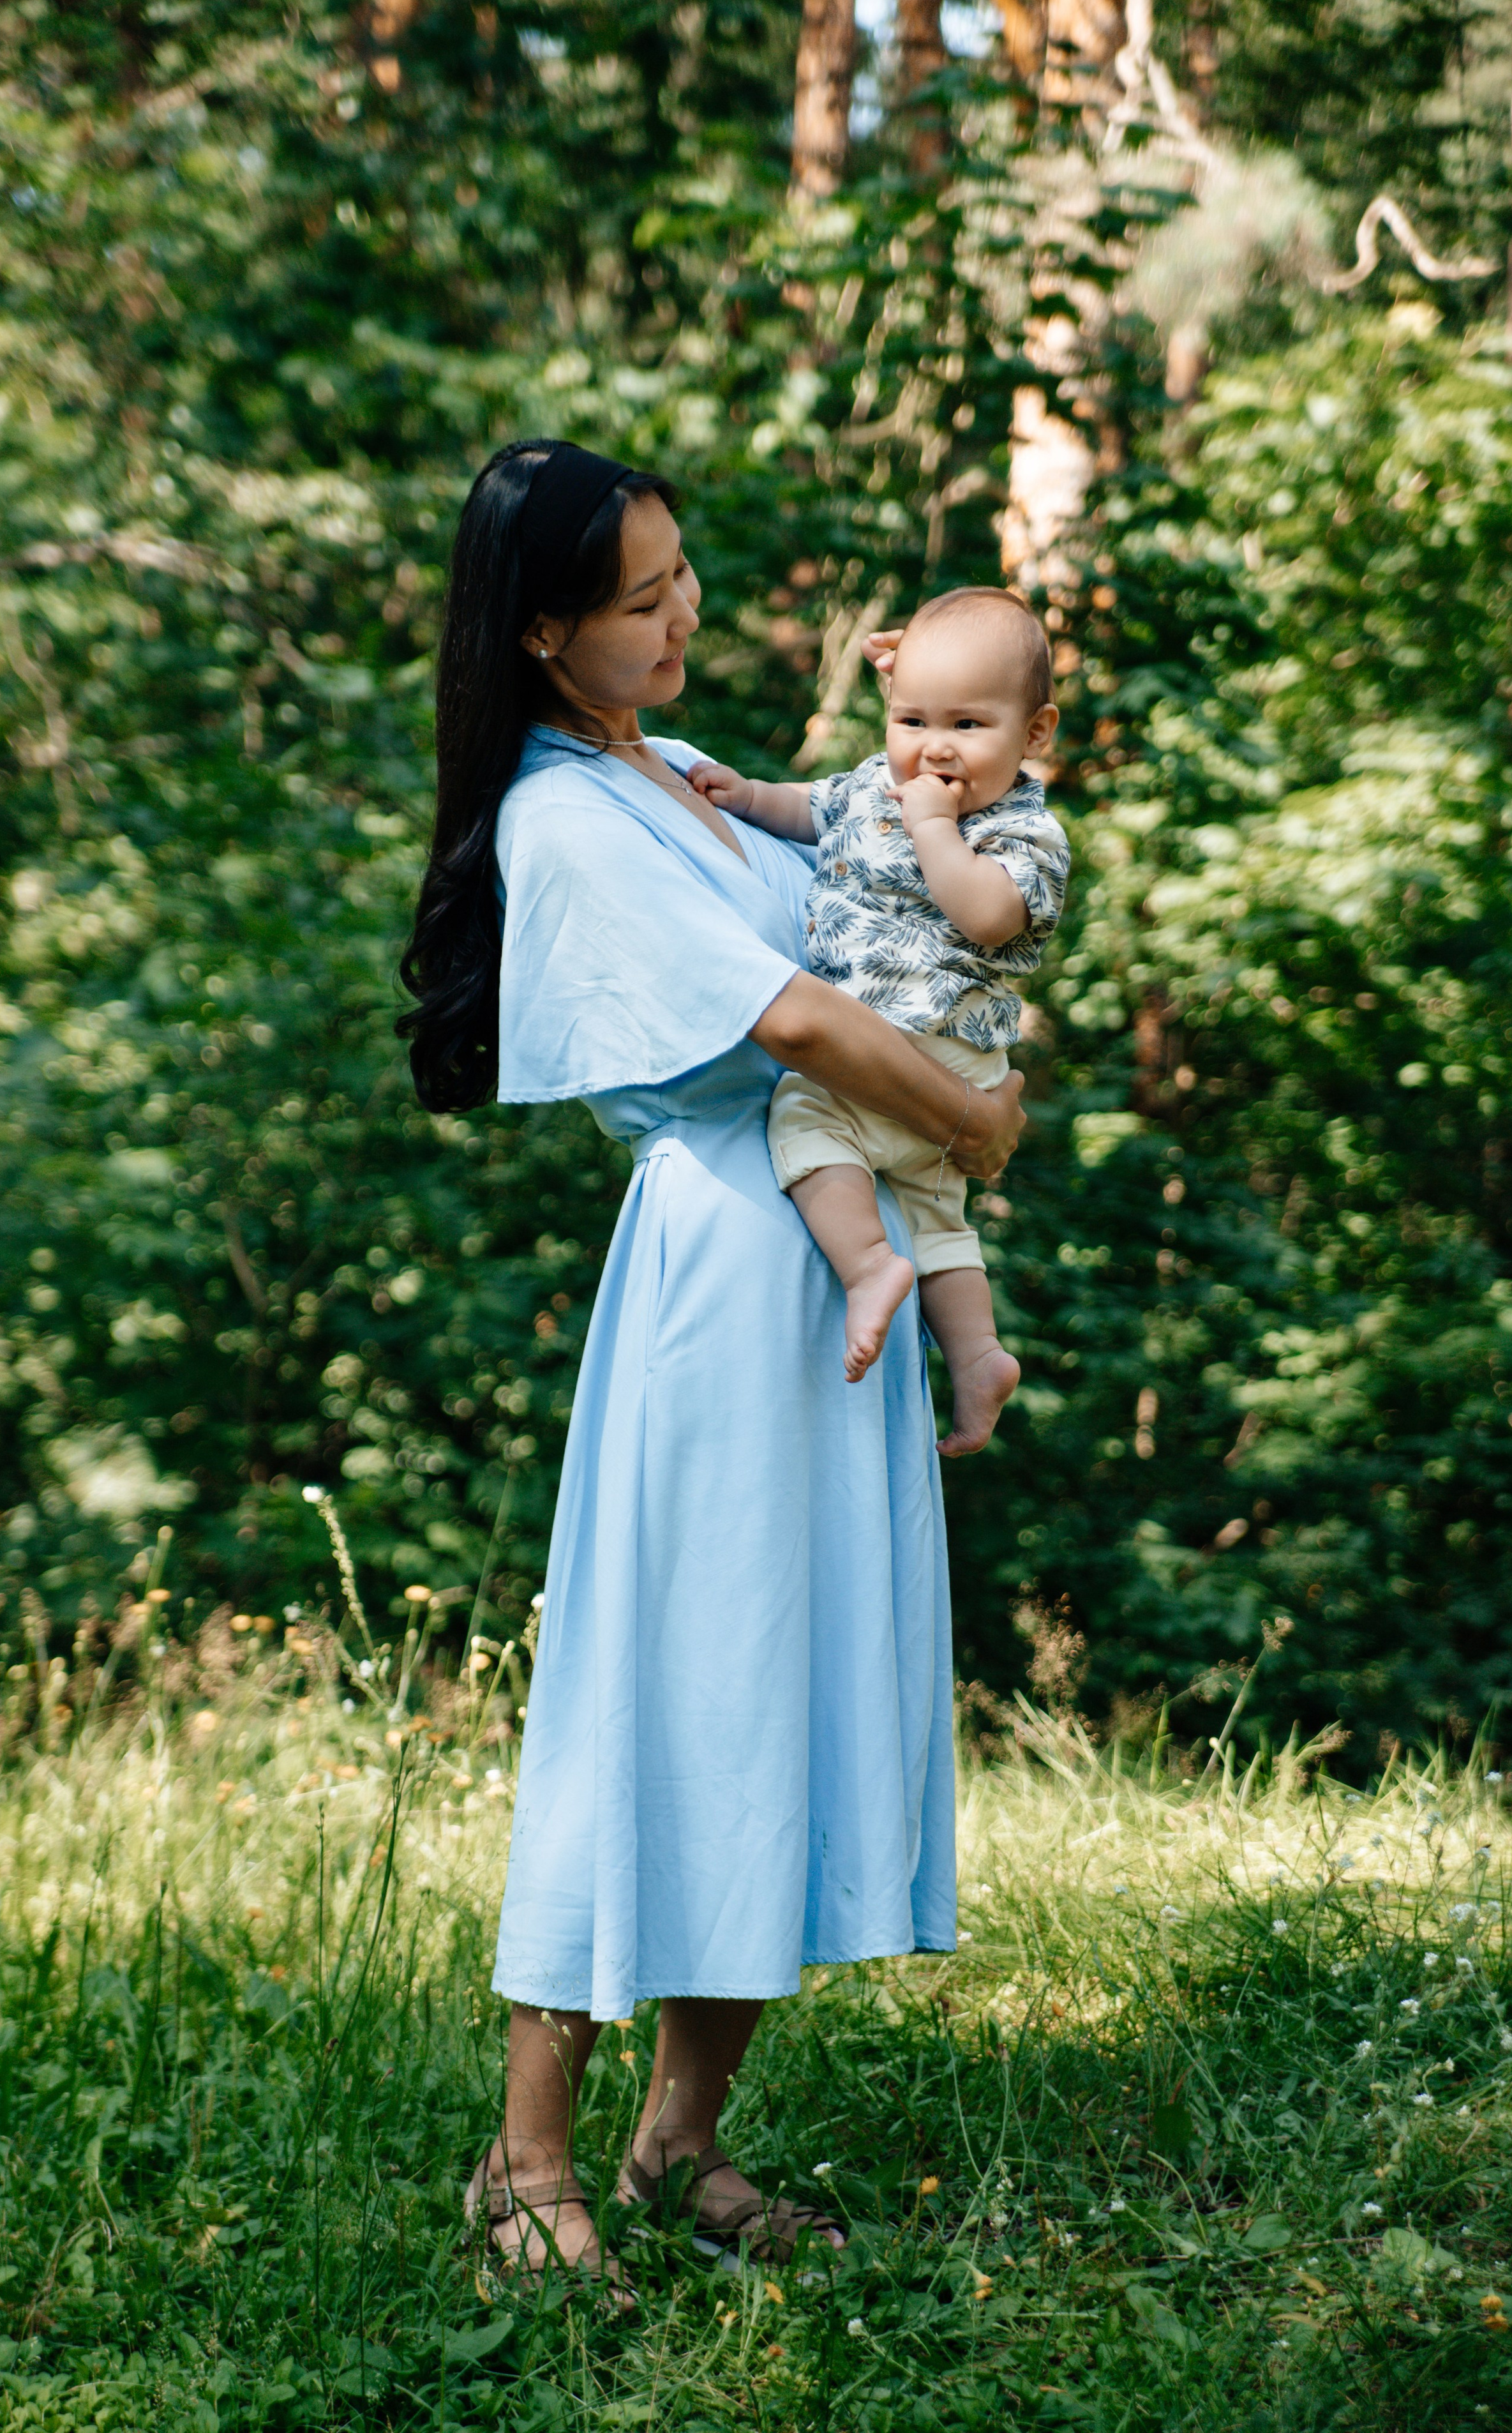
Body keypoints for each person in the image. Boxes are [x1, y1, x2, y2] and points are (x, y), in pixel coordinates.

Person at [397, 441, 1026, 2292]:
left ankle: (681, 2140)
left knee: (777, 1690)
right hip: (722, 1271)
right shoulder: (563, 819)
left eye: (682, 572)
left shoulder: (661, 769)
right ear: (541, 631)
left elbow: (888, 914)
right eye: (641, 595)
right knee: (659, 1689)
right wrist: (975, 1122)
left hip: (832, 1269)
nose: (686, 613)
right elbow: (799, 1017)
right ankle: (527, 2162)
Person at [687, 587, 1068, 1456]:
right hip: (935, 1074)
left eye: (968, 724)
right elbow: (813, 808)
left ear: (1035, 733)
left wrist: (934, 829)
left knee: (805, 1119)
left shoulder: (1025, 832)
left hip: (920, 1044)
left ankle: (867, 1268)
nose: (934, 747)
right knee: (938, 1217)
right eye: (912, 720)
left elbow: (988, 916)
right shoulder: (873, 783)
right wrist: (747, 794)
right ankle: (978, 1356)